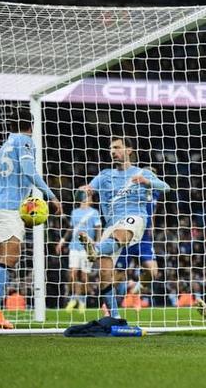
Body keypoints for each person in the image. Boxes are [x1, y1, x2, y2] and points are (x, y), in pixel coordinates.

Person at [0, 108, 62, 329]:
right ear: (32, 125)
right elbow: (29, 170)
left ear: (10, 125)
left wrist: (1, 199)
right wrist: (50, 195)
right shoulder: (25, 141)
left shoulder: (1, 149)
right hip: (10, 209)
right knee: (10, 257)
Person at [79, 136, 170, 319]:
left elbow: (166, 187)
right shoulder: (104, 175)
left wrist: (147, 182)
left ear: (129, 150)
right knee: (105, 273)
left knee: (149, 268)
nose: (113, 151)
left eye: (117, 147)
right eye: (111, 148)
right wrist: (83, 191)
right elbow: (86, 190)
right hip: (111, 225)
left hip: (135, 219)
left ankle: (96, 250)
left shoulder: (141, 173)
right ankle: (114, 317)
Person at [114, 188, 162, 306]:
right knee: (117, 275)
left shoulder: (156, 192)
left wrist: (152, 226)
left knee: (153, 272)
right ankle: (107, 304)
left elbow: (153, 211)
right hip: (130, 235)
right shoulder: (131, 190)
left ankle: (135, 291)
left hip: (144, 238)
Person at [56, 191, 102, 314]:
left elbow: (98, 228)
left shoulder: (94, 212)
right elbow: (71, 229)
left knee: (84, 276)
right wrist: (62, 241)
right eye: (89, 196)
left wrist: (97, 243)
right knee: (72, 274)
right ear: (83, 198)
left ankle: (82, 301)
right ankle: (73, 298)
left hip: (87, 247)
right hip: (74, 246)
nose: (91, 198)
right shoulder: (75, 212)